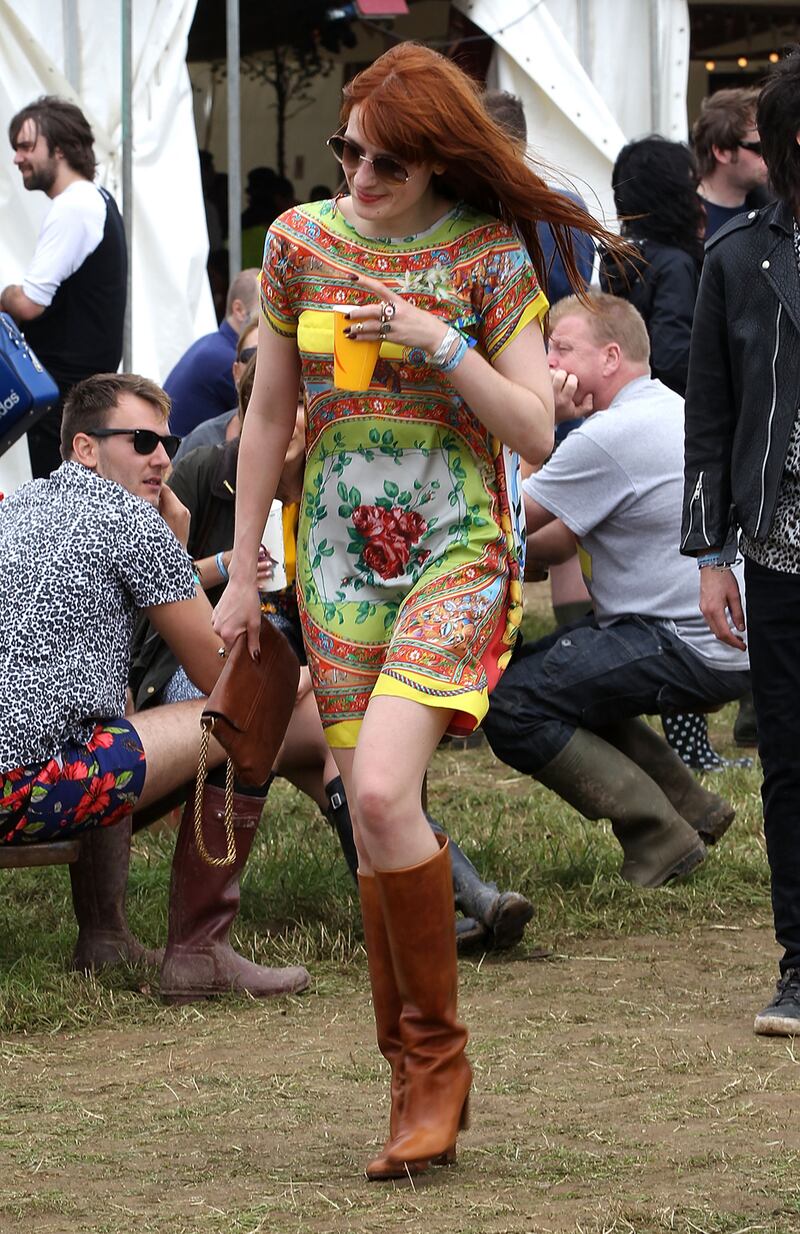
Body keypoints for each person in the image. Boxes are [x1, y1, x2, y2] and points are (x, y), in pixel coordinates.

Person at [212, 41, 627, 1180]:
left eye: (385, 158)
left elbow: (537, 433)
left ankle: (435, 1065)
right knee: (370, 814)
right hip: (335, 555)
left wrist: (436, 342)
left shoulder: (489, 258)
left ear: (437, 159)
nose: (358, 173)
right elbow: (261, 420)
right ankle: (404, 1077)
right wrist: (246, 565)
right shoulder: (298, 241)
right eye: (349, 149)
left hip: (453, 545)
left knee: (384, 791)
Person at [134, 357, 536, 953]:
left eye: (313, 402)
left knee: (336, 740)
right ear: (255, 416)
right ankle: (438, 908)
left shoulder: (339, 491)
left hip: (291, 672)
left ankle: (436, 911)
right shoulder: (205, 475)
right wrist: (226, 567)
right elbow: (157, 608)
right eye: (295, 404)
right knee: (333, 731)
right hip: (196, 676)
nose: (308, 418)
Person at [0, 371, 309, 1003]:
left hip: (31, 769)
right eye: (142, 441)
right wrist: (309, 681)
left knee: (105, 716)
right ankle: (201, 951)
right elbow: (226, 679)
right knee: (245, 714)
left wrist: (172, 528)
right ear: (87, 448)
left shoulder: (24, 506)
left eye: (165, 441)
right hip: (28, 790)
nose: (163, 457)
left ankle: (105, 937)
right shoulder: (124, 519)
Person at [482, 293, 750, 886]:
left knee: (510, 701)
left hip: (685, 640)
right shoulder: (661, 409)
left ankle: (660, 836)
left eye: (561, 347)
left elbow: (498, 523)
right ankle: (691, 806)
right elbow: (547, 547)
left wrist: (538, 421)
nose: (547, 360)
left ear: (609, 357)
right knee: (562, 679)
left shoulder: (609, 435)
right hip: (720, 638)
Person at [680, 51, 800, 1036]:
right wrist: (707, 551)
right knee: (789, 757)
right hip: (778, 543)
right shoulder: (736, 258)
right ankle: (799, 964)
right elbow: (706, 417)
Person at [1, 96, 127, 479]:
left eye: (26, 146)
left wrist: (6, 294)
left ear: (58, 148)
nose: (17, 158)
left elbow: (28, 304)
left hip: (62, 401)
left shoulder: (75, 205)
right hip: (76, 397)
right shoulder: (95, 198)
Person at [164, 268, 258, 437]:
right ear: (239, 310)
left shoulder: (213, 345)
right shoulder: (224, 360)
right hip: (180, 458)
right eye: (264, 311)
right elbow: (265, 416)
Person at [171, 313, 258, 463]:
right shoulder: (202, 442)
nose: (260, 365)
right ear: (236, 372)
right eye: (252, 355)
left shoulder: (303, 441)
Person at [692, 87, 770, 240]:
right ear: (721, 152)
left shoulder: (775, 213)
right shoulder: (685, 225)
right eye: (759, 147)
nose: (769, 155)